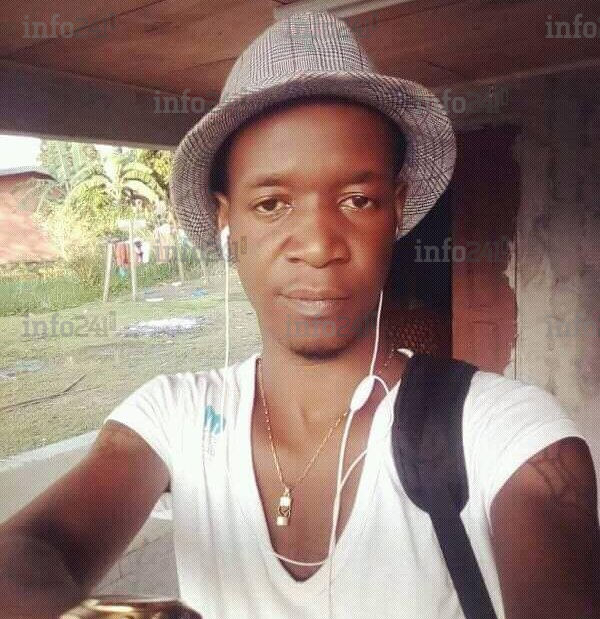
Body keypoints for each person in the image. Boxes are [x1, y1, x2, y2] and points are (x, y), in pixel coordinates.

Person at [0, 11, 598, 619]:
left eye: (357, 200)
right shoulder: (177, 418)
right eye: (271, 204)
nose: (317, 245)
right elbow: (32, 551)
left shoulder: (506, 433)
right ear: (227, 219)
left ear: (395, 210)